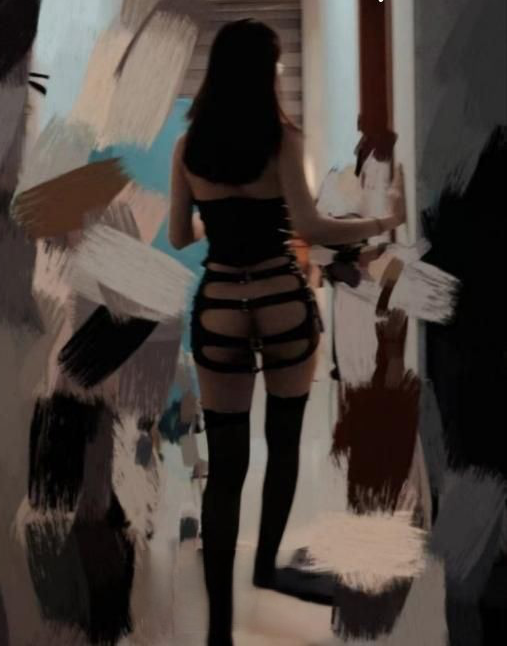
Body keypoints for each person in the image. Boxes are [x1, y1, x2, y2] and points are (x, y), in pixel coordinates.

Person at [168, 19, 405, 646]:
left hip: (221, 303)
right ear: (262, 73)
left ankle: (219, 633)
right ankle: (266, 566)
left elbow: (178, 235)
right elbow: (312, 227)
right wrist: (382, 221)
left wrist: (217, 221)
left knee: (226, 470)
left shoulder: (188, 147)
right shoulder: (282, 138)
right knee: (283, 443)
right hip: (281, 301)